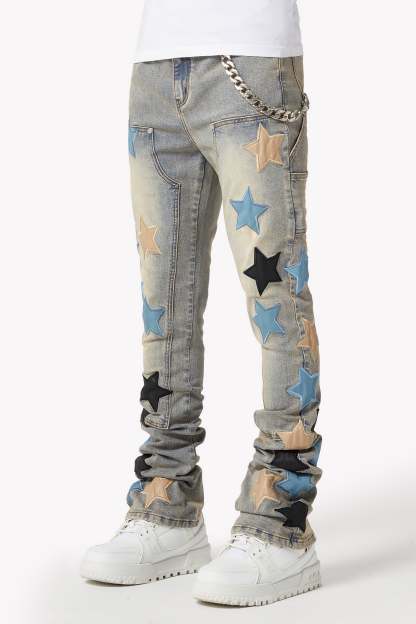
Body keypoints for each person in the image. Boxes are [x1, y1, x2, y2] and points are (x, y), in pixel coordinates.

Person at [81, 0, 322, 606]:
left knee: (275, 297)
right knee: (162, 301)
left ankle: (281, 514)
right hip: (155, 65)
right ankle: (167, 499)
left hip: (250, 58)